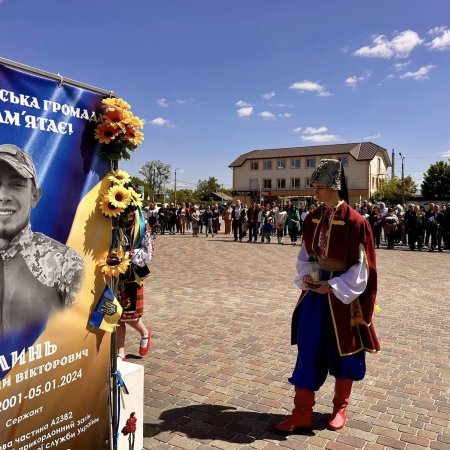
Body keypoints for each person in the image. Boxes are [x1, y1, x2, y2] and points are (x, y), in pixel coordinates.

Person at [276, 159, 380, 433]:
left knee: (345, 353)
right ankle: (301, 413)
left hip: (343, 301)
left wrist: (333, 287)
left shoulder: (357, 222)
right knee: (307, 349)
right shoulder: (311, 217)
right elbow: (306, 253)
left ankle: (339, 409)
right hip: (314, 298)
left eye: (319, 187)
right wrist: (308, 276)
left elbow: (363, 267)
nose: (315, 193)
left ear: (334, 187)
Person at [0, 144, 83, 335]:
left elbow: (77, 339)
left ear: (34, 196)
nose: (3, 196)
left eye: (16, 184)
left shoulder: (64, 263)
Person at [116, 205, 155, 360]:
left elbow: (149, 252)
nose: (128, 213)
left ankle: (144, 332)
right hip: (114, 273)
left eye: (131, 209)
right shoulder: (114, 221)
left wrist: (129, 254)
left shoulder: (144, 226)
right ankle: (121, 352)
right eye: (125, 210)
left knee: (130, 314)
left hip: (133, 274)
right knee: (117, 315)